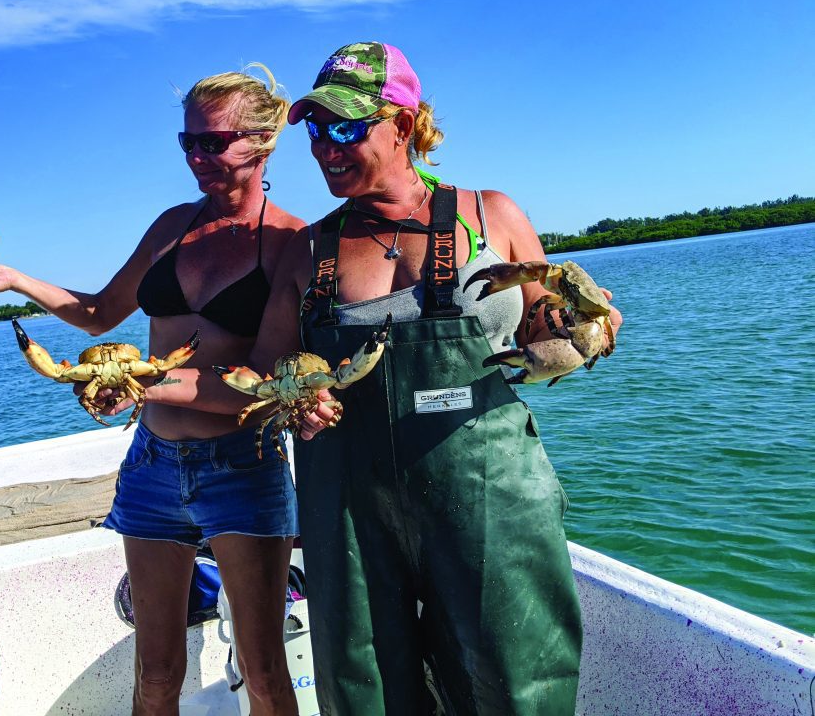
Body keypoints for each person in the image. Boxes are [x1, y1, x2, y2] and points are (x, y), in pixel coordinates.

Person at [243, 42, 624, 715]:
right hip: (351, 513)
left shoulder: (491, 216)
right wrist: (296, 397)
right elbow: (266, 367)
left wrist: (581, 329)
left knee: (516, 684)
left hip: (491, 501)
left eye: (345, 128)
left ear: (403, 124)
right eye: (315, 130)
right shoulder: (308, 251)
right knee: (364, 690)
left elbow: (550, 319)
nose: (325, 147)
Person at [0, 64, 306, 715]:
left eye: (213, 142)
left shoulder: (289, 245)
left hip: (243, 468)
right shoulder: (172, 227)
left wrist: (145, 384)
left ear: (263, 141)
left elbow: (262, 385)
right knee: (156, 673)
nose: (196, 157)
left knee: (265, 675)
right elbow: (98, 313)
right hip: (151, 466)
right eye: (187, 141)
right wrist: (13, 280)